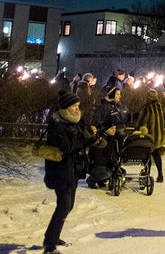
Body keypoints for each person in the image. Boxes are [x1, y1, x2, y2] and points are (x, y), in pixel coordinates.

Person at [41, 90, 105, 254]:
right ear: (65, 108)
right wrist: (86, 137)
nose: (77, 109)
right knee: (63, 206)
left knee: (68, 206)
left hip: (73, 171)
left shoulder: (77, 122)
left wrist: (95, 137)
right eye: (74, 106)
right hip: (60, 171)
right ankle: (49, 246)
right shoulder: (56, 125)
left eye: (78, 105)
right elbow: (68, 147)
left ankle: (52, 237)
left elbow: (83, 141)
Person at [136, 88, 165, 183]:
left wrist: (137, 128)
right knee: (157, 155)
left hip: (150, 136)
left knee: (147, 155)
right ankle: (160, 174)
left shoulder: (147, 107)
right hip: (158, 135)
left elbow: (143, 121)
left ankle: (147, 173)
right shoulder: (159, 106)